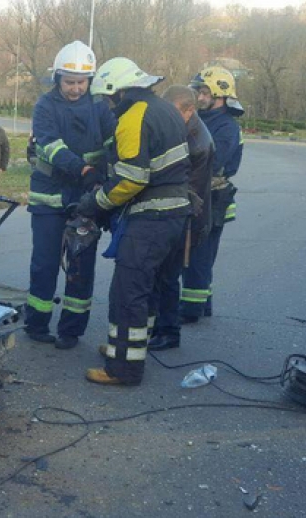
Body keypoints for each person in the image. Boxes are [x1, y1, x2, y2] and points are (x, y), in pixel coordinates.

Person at [76, 57, 191, 386]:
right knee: (149, 287)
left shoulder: (132, 118)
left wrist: (96, 203)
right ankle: (127, 348)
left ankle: (123, 368)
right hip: (175, 214)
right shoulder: (164, 108)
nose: (108, 105)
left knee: (128, 291)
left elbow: (131, 179)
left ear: (120, 92)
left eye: (108, 98)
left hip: (151, 216)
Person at [24, 40, 117, 350]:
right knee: (45, 264)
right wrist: (84, 170)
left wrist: (103, 177)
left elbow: (111, 143)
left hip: (86, 197)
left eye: (81, 82)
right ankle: (36, 323)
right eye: (70, 82)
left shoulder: (100, 106)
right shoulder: (45, 106)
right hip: (49, 197)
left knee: (81, 266)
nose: (76, 88)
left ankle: (71, 330)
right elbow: (49, 147)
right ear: (57, 78)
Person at [147, 85, 215, 351]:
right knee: (159, 276)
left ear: (189, 110)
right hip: (179, 216)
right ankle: (157, 326)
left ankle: (169, 332)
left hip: (186, 221)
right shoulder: (184, 130)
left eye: (173, 114)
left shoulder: (198, 143)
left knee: (167, 277)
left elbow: (186, 188)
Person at [181, 66, 245, 324]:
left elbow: (213, 162)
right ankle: (202, 303)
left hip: (211, 199)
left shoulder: (226, 126)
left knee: (198, 255)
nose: (199, 96)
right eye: (198, 91)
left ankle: (190, 309)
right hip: (200, 196)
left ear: (220, 94)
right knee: (198, 254)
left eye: (204, 92)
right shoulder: (203, 120)